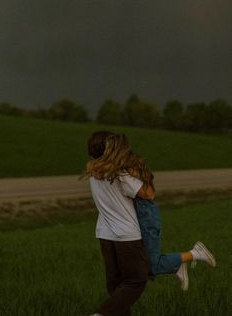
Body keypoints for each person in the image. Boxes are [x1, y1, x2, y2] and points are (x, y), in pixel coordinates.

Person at [86, 131, 216, 315]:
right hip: (127, 236)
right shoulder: (120, 175)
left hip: (105, 234)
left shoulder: (92, 173)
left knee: (116, 285)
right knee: (136, 281)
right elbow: (149, 194)